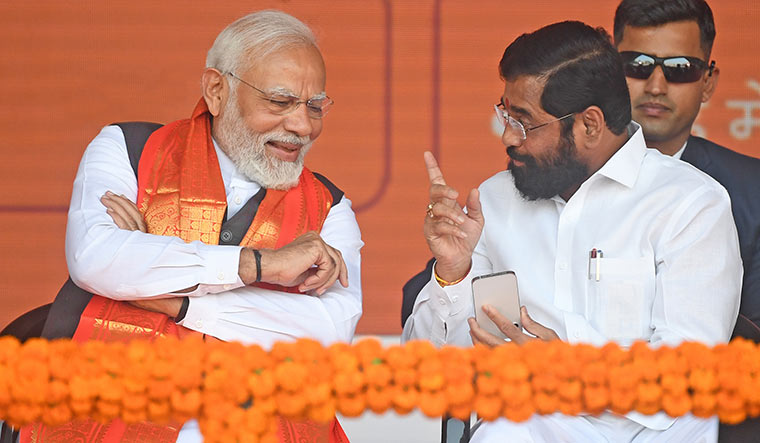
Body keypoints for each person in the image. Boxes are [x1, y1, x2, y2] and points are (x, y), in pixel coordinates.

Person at [28, 10, 362, 443]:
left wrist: (176, 299)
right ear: (217, 90)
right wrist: (259, 267)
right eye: (280, 103)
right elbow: (96, 260)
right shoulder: (129, 148)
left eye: (315, 106)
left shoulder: (330, 207)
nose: (302, 125)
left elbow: (328, 334)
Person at [402, 21, 741, 442]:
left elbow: (690, 374)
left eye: (524, 122)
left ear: (590, 125)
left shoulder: (689, 205)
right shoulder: (492, 202)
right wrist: (453, 272)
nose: (508, 136)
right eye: (505, 115)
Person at [614, 0, 760, 339]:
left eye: (680, 68)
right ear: (608, 71)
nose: (656, 86)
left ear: (708, 82)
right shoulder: (564, 175)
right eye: (638, 64)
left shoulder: (753, 192)